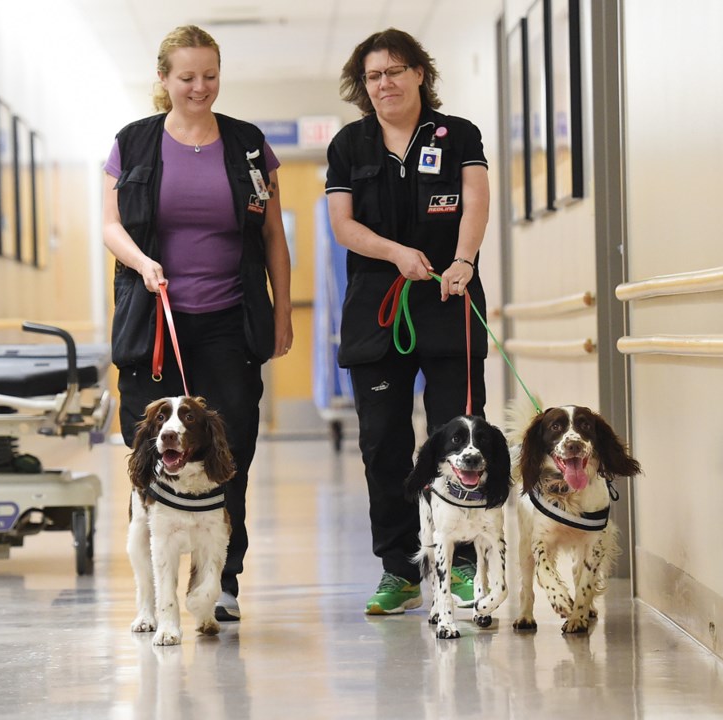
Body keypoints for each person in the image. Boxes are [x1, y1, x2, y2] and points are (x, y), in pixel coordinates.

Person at [102, 25, 293, 622]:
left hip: (228, 322)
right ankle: (152, 593)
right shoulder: (131, 144)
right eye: (186, 77)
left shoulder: (248, 145)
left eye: (209, 75)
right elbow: (111, 226)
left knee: (228, 450)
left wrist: (282, 310)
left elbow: (273, 237)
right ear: (163, 79)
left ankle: (221, 579)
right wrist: (144, 263)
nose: (200, 87)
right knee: (151, 458)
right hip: (154, 321)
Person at [325, 28, 491, 615]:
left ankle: (464, 566)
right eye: (373, 75)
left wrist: (463, 261)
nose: (384, 83)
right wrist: (395, 252)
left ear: (420, 73)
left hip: (450, 297)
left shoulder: (458, 134)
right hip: (378, 305)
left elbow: (475, 200)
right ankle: (400, 569)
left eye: (395, 70)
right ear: (362, 84)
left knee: (461, 439)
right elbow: (343, 226)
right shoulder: (350, 145)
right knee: (383, 445)